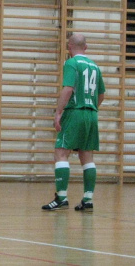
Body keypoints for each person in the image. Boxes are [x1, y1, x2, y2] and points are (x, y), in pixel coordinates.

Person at [42, 33, 105, 211]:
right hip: (91, 113)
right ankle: (88, 199)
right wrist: (92, 107)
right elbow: (101, 94)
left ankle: (61, 197)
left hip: (75, 111)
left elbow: (68, 89)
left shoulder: (71, 63)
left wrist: (58, 112)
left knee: (61, 152)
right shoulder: (95, 66)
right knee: (87, 156)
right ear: (86, 47)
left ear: (69, 47)